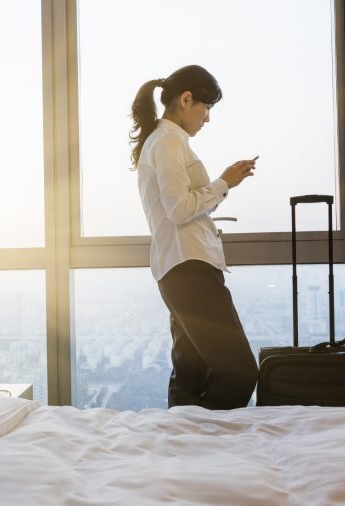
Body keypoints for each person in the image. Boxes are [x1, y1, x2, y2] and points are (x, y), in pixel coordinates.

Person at [129, 64, 258, 409]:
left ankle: (187, 448)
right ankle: (209, 445)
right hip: (189, 269)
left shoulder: (163, 140)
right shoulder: (169, 141)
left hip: (180, 268)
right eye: (207, 107)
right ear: (186, 100)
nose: (208, 118)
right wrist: (223, 182)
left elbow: (181, 209)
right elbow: (180, 209)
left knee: (190, 373)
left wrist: (224, 184)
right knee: (240, 371)